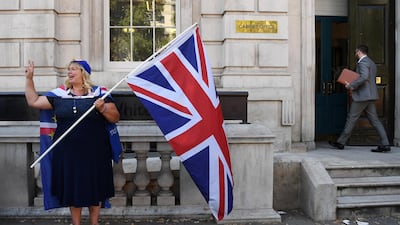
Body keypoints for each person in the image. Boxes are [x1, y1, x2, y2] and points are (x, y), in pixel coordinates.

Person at [25, 59, 120, 225]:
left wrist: (103, 108)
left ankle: (94, 222)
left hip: (95, 151)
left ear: (83, 73)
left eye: (74, 69)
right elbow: (33, 101)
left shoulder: (99, 93)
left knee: (94, 186)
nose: (69, 72)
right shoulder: (60, 95)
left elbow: (115, 117)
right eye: (69, 69)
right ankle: (76, 223)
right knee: (72, 187)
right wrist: (29, 79)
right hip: (67, 153)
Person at [329, 45, 390, 153]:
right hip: (370, 96)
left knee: (351, 118)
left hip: (362, 96)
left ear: (358, 52)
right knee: (375, 120)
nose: (355, 54)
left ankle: (340, 142)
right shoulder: (371, 62)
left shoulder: (363, 63)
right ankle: (385, 144)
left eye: (355, 52)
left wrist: (351, 85)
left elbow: (364, 77)